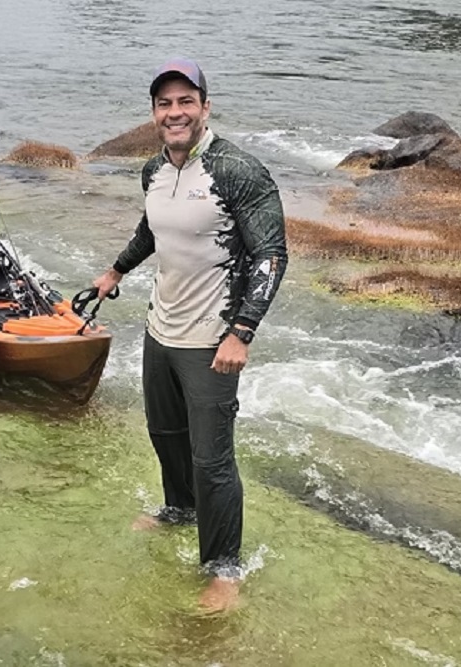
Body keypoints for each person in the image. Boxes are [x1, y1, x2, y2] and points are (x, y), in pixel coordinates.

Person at [93, 57, 288, 612]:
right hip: (161, 328)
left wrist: (241, 332)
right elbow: (152, 229)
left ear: (205, 106)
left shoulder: (237, 170)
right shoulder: (154, 170)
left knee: (212, 460)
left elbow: (272, 255)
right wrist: (116, 271)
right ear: (154, 112)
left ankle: (224, 568)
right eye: (164, 103)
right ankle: (179, 509)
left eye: (185, 101)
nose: (174, 113)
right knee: (165, 433)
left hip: (212, 338)